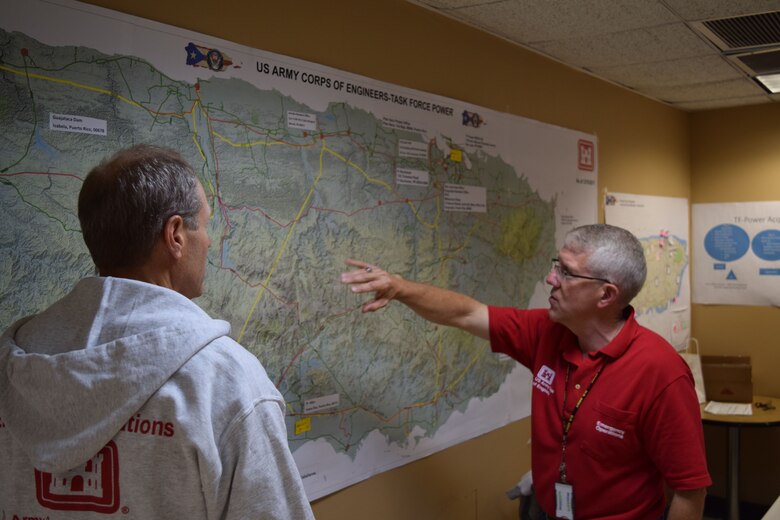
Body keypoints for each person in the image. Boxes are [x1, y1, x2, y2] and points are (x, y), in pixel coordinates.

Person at [0, 145, 314, 519]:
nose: (210, 241)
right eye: (206, 224)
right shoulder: (225, 382)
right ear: (175, 235)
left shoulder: (11, 369)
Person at [341, 224, 710, 520]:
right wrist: (400, 287)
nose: (551, 279)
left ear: (606, 295)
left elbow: (690, 491)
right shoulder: (547, 333)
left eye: (566, 272)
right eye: (556, 265)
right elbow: (467, 313)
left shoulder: (660, 372)